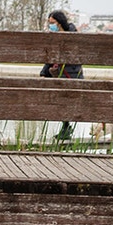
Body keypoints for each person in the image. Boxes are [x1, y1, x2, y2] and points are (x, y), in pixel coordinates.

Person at [40, 9, 84, 141]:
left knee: (65, 101)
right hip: (59, 74)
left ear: (59, 23)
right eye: (49, 23)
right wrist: (45, 72)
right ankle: (66, 127)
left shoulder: (72, 36)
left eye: (52, 22)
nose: (50, 25)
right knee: (60, 101)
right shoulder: (54, 37)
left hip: (70, 74)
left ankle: (66, 128)